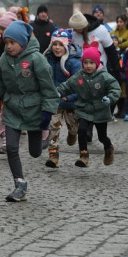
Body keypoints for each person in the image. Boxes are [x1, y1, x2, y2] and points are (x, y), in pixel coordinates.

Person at [0, 20, 58, 202]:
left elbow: (49, 90)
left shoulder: (37, 59)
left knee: (35, 152)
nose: (9, 46)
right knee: (11, 147)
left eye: (13, 43)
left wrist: (47, 113)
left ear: (22, 42)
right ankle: (19, 184)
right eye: (6, 42)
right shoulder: (4, 59)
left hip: (34, 110)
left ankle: (44, 137)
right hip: (12, 108)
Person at [55, 46, 120, 168]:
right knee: (82, 130)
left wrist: (110, 98)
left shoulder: (104, 76)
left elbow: (115, 88)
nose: (88, 66)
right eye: (85, 63)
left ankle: (108, 147)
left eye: (91, 63)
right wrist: (59, 92)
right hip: (84, 109)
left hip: (100, 110)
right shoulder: (79, 76)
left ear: (97, 63)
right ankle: (84, 155)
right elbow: (67, 85)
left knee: (102, 136)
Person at [43, 28, 81, 168]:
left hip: (70, 102)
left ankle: (73, 134)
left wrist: (69, 97)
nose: (57, 48)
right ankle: (53, 155)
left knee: (74, 127)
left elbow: (79, 85)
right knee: (54, 127)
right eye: (54, 44)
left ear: (67, 45)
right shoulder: (47, 60)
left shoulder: (74, 63)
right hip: (55, 101)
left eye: (60, 45)